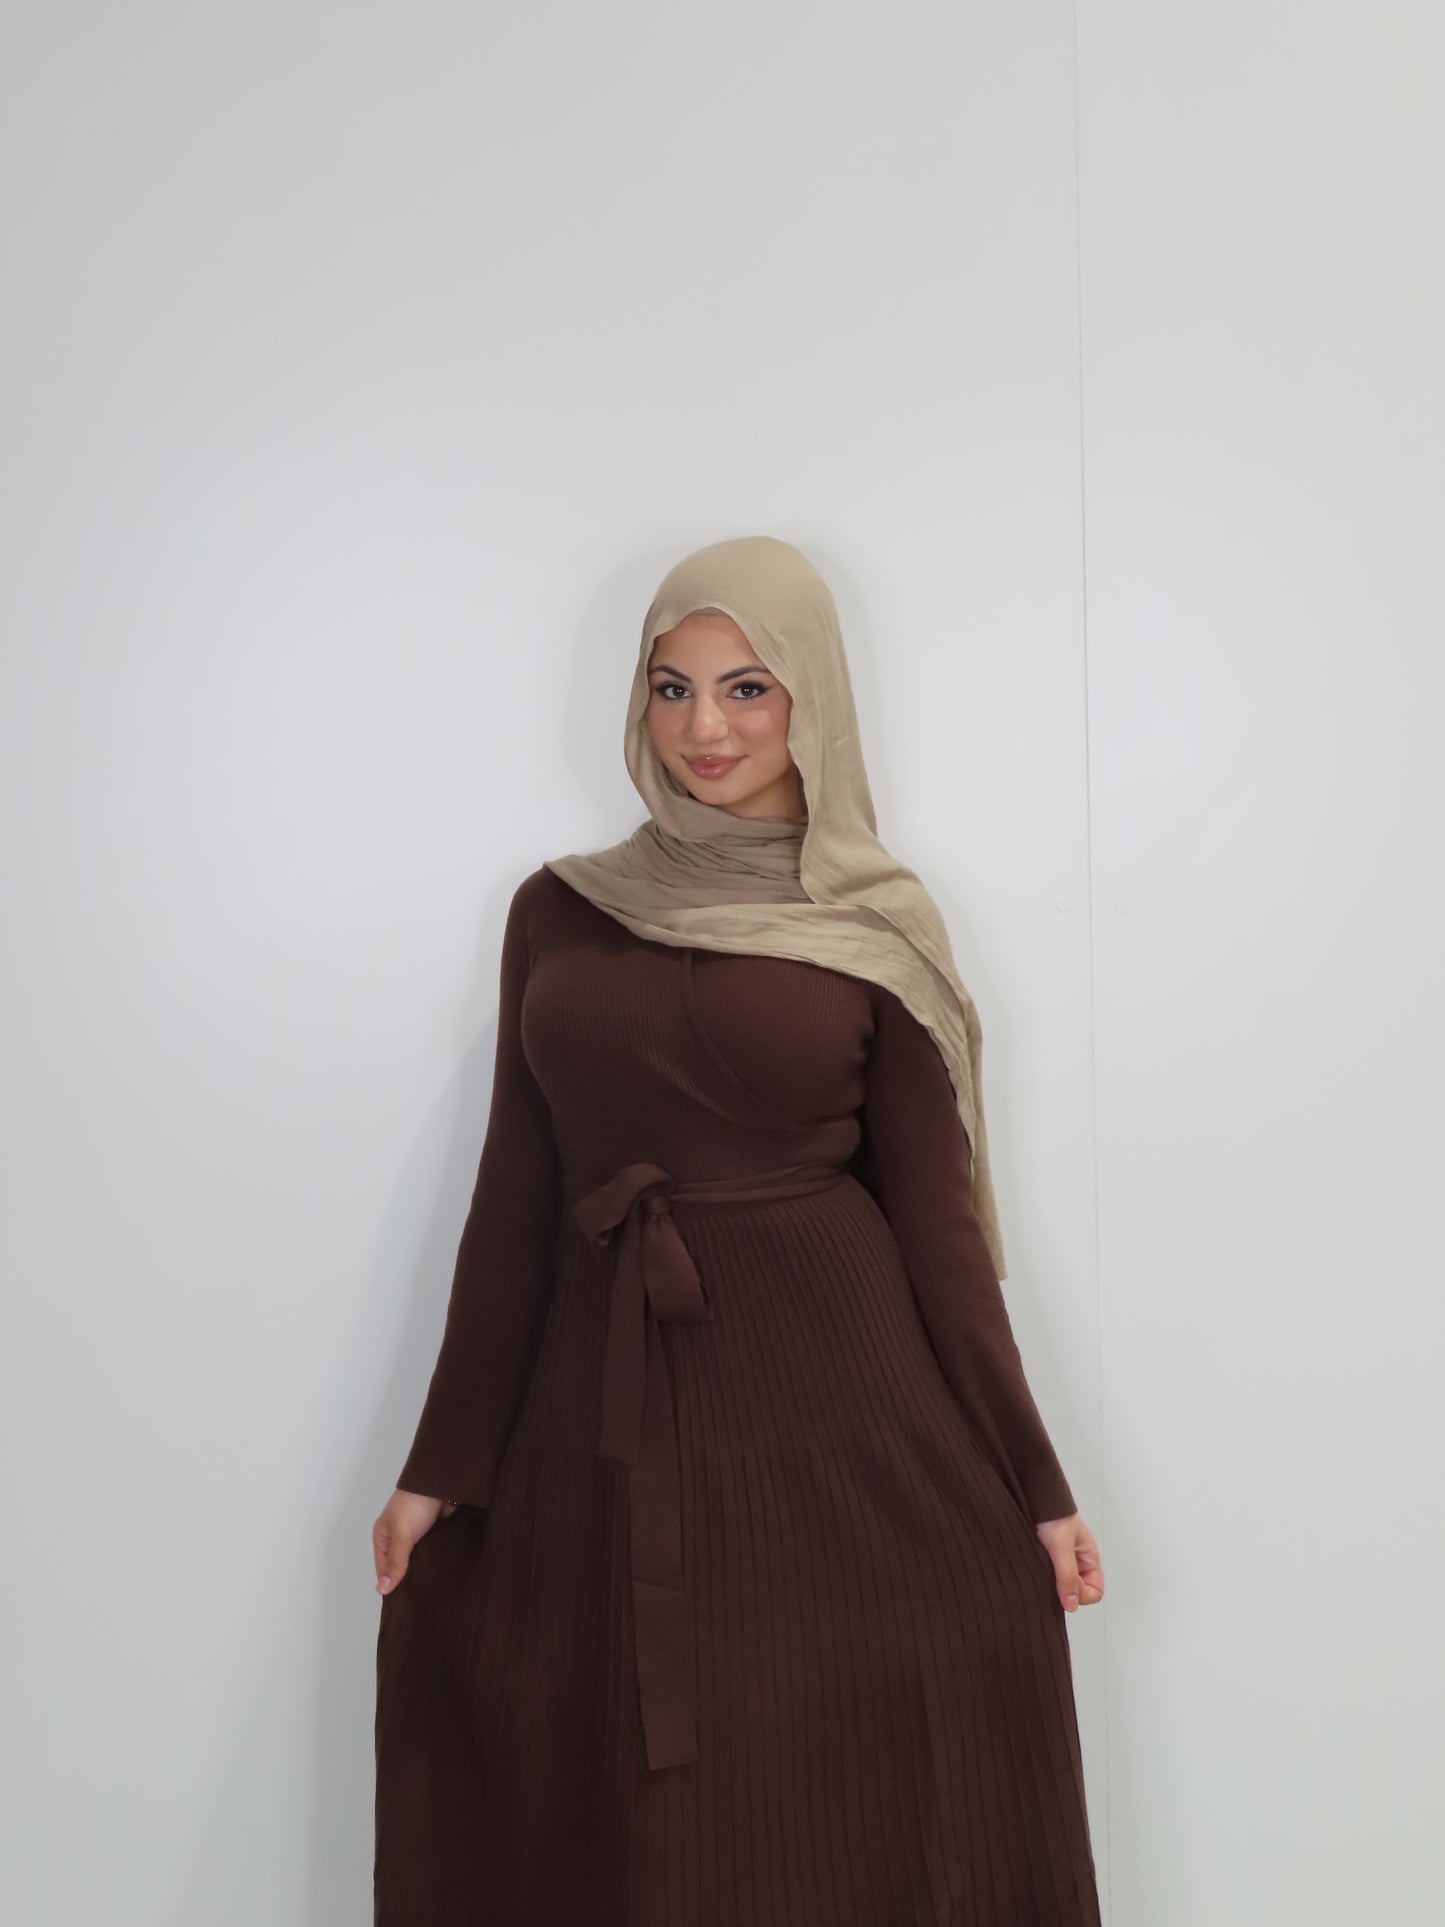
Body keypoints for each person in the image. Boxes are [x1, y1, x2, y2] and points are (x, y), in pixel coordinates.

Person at [372, 534, 1105, 1925]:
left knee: (817, 1794)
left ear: (811, 698)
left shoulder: (875, 919)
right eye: (673, 687)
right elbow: (513, 1200)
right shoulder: (559, 911)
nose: (705, 728)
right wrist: (438, 1468)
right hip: (604, 1410)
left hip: (840, 1417)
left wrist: (1036, 1482)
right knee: (630, 1803)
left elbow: (938, 1228)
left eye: (747, 687)